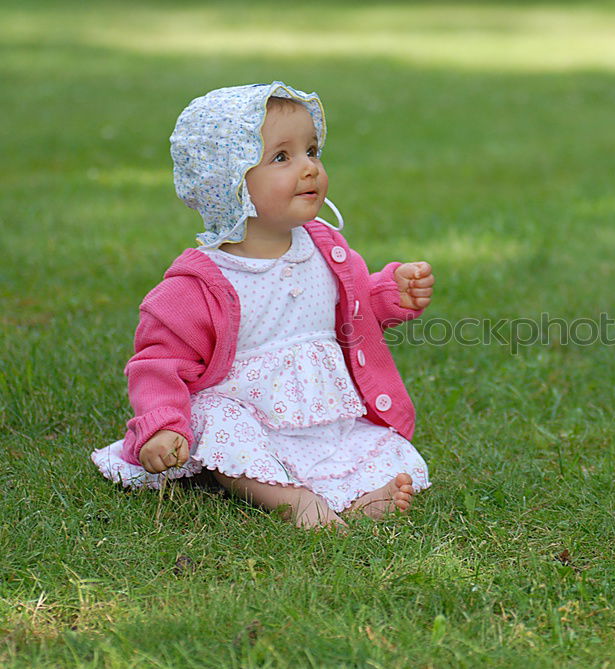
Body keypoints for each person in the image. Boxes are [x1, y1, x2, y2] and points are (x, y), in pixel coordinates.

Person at [91, 82, 434, 529]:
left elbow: (350, 309)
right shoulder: (201, 283)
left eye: (312, 150)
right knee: (218, 422)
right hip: (245, 414)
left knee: (382, 446)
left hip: (315, 414)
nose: (310, 168)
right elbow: (159, 362)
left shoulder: (325, 249)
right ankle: (292, 501)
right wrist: (164, 424)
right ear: (229, 181)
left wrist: (389, 294)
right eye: (281, 157)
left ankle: (356, 499)